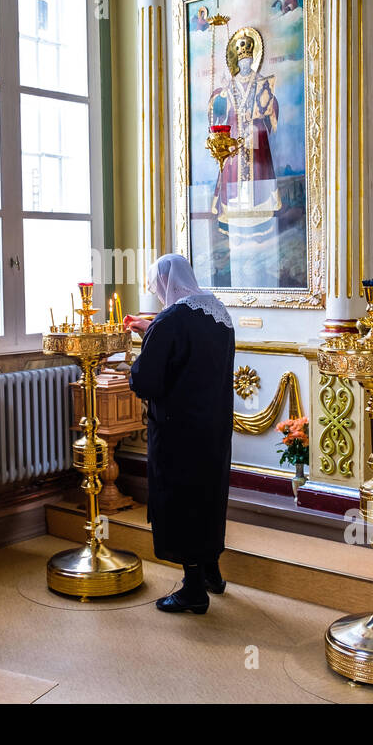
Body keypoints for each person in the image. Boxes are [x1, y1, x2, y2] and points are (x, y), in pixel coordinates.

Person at [124, 254, 235, 614]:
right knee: (209, 496)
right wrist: (152, 329)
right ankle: (211, 573)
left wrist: (135, 361)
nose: (157, 293)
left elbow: (146, 380)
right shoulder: (217, 313)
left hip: (177, 432)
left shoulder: (170, 321)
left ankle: (192, 589)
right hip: (214, 428)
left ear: (165, 283)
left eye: (156, 286)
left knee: (181, 500)